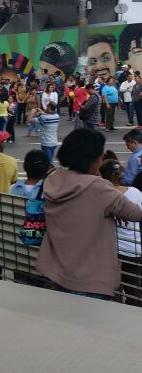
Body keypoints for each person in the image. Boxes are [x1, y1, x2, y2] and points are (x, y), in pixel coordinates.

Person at [36, 129, 142, 299]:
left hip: (56, 272)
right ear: (91, 159)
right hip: (91, 279)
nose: (102, 159)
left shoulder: (53, 178)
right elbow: (136, 213)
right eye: (101, 155)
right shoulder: (98, 188)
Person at [99, 160, 142, 305]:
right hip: (134, 248)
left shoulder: (102, 195)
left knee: (113, 290)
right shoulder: (135, 192)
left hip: (111, 250)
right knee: (134, 291)